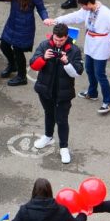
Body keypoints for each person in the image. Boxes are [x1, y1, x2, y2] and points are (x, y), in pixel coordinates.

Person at [48, 0, 110, 114]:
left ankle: (108, 101)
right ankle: (92, 92)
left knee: (100, 74)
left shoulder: (106, 14)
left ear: (89, 3)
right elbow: (74, 16)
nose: (82, 8)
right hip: (90, 43)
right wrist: (56, 20)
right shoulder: (86, 10)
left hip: (101, 46)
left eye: (83, 5)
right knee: (89, 69)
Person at [26, 24, 83, 163]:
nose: (58, 43)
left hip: (64, 93)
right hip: (45, 90)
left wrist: (67, 62)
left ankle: (64, 147)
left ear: (67, 37)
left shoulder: (74, 50)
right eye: (56, 39)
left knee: (62, 120)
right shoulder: (45, 45)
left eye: (61, 40)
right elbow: (33, 65)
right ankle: (48, 136)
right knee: (48, 114)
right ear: (53, 35)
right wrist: (44, 58)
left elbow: (77, 72)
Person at [0, 0, 48, 85]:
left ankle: (22, 77)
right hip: (12, 23)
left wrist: (46, 18)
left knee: (18, 51)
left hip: (25, 27)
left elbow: (41, 8)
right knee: (4, 46)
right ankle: (12, 65)